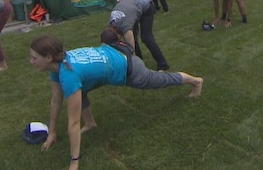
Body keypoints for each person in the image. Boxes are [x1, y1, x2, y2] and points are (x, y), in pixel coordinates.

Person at [29, 31, 203, 170]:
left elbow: (73, 122)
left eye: (35, 58)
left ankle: (196, 81)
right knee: (78, 92)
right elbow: (55, 100)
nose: (31, 62)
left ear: (49, 57)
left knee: (160, 81)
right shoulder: (59, 66)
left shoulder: (68, 74)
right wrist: (52, 132)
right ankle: (90, 123)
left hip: (130, 69)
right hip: (114, 54)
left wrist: (74, 162)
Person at [108, 0, 170, 71]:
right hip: (132, 5)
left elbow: (131, 49)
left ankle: (163, 64)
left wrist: (132, 63)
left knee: (146, 38)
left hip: (146, 6)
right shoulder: (110, 25)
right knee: (134, 37)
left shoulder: (125, 28)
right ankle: (139, 59)